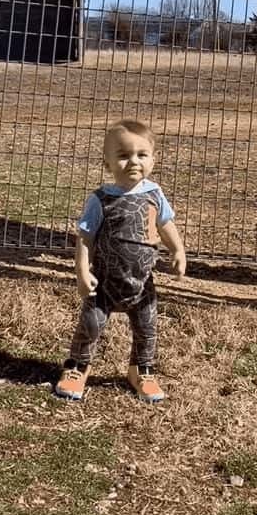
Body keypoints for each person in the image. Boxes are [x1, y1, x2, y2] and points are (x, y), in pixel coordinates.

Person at [55, 119, 186, 404]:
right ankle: (78, 367)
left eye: (142, 155)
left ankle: (141, 370)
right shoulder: (100, 200)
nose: (133, 162)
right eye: (124, 156)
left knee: (147, 329)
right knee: (90, 326)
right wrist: (81, 272)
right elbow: (85, 238)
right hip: (103, 283)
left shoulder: (155, 194)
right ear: (108, 161)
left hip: (142, 283)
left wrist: (178, 250)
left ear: (153, 158)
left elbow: (166, 225)